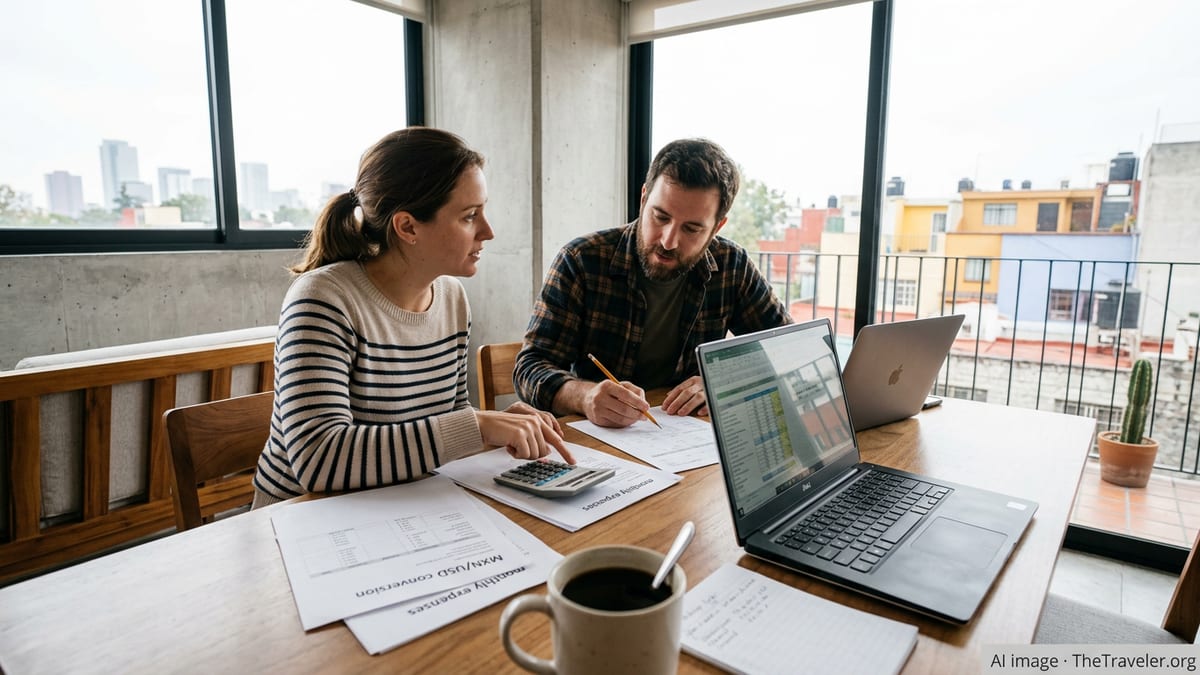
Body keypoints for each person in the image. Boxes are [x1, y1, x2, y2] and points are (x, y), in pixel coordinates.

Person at [253, 127, 573, 508]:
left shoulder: (452, 298)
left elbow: (447, 417)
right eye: (470, 216)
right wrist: (479, 426)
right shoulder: (323, 299)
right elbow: (319, 460)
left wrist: (492, 425)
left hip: (398, 505)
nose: (488, 231)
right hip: (303, 523)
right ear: (407, 227)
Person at [513, 138, 792, 428]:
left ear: (717, 227)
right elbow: (529, 368)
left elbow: (790, 345)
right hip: (598, 441)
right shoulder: (582, 260)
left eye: (692, 228)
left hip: (686, 443)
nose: (668, 241)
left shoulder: (731, 265)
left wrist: (723, 382)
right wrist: (584, 396)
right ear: (644, 198)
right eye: (660, 216)